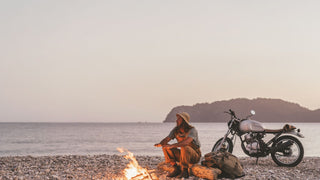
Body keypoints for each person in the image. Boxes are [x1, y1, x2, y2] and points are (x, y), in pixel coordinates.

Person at [154, 112, 201, 178]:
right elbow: (167, 139)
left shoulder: (192, 130)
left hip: (194, 156)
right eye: (177, 118)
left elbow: (186, 142)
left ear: (184, 121)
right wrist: (161, 143)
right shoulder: (175, 130)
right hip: (183, 155)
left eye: (179, 119)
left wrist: (172, 145)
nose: (176, 120)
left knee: (184, 147)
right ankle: (176, 168)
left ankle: (185, 171)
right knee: (165, 147)